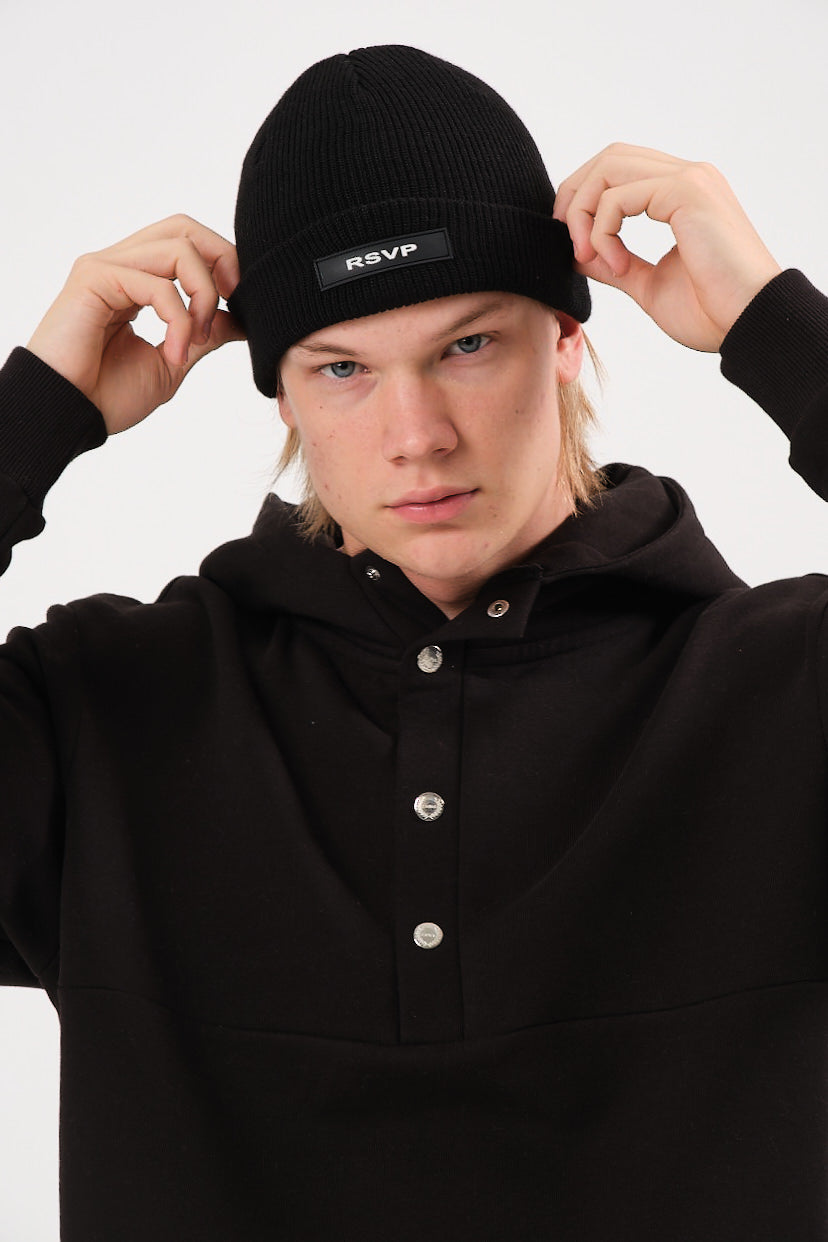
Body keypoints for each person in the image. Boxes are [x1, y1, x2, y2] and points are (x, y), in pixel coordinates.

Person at [2, 42, 827, 1242]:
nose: (417, 433)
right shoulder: (107, 714)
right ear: (280, 393)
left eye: (467, 346)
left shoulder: (782, 691)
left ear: (568, 337)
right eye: (343, 366)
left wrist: (776, 325)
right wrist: (29, 414)